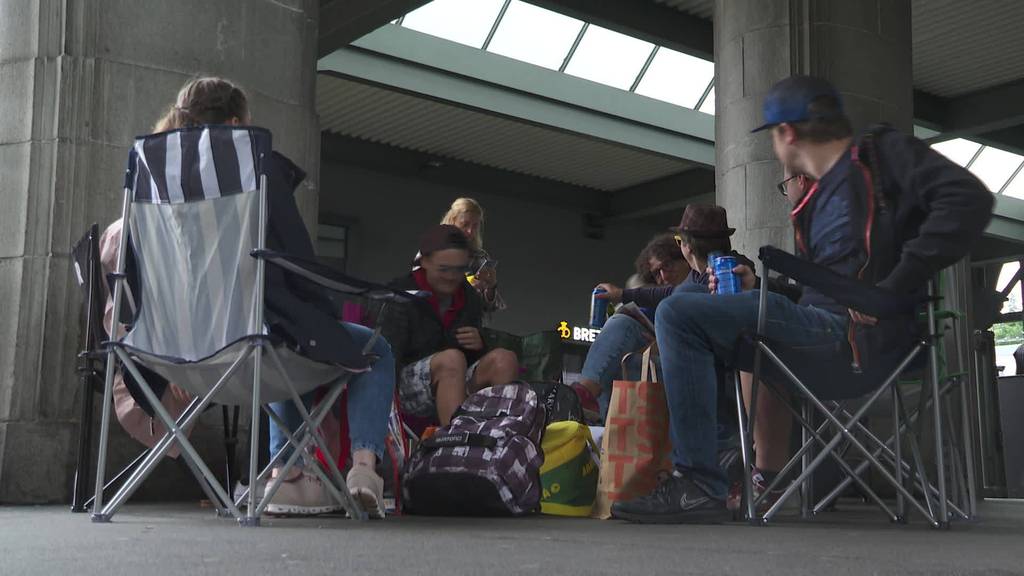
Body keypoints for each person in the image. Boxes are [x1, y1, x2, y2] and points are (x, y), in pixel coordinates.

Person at [610, 75, 994, 524]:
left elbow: (969, 199)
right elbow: (819, 293)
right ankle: (736, 471)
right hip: (818, 329)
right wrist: (760, 288)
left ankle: (699, 483)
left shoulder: (880, 154)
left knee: (677, 310)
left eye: (773, 138)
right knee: (699, 316)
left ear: (787, 133)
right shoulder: (813, 201)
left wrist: (888, 289)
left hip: (862, 340)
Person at [128, 77, 397, 519]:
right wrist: (324, 318)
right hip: (253, 345)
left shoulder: (152, 177)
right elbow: (296, 263)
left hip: (172, 352)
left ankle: (284, 474)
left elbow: (134, 274)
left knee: (279, 327)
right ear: (236, 125)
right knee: (362, 345)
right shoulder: (256, 168)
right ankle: (364, 469)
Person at [383, 225, 520, 427]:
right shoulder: (400, 294)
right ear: (425, 262)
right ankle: (454, 445)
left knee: (505, 359)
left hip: (455, 378)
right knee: (452, 359)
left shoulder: (468, 297)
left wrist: (479, 344)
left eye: (459, 270)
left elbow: (471, 359)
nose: (451, 277)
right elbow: (388, 355)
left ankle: (500, 438)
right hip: (401, 388)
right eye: (443, 269)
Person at [569, 233, 689, 418]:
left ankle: (582, 399)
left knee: (623, 326)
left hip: (689, 367)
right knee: (623, 359)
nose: (664, 276)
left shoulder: (702, 286)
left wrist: (662, 343)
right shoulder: (656, 305)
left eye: (667, 265)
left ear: (685, 257)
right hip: (654, 362)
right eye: (656, 273)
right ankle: (597, 421)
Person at [415, 198, 506, 315]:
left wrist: (491, 286)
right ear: (452, 221)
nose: (470, 231)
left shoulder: (479, 257)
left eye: (475, 226)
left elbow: (488, 308)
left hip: (465, 326)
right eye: (465, 224)